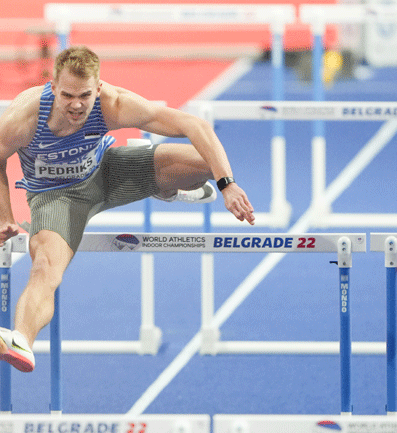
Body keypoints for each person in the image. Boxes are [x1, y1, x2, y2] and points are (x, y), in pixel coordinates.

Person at [0, 46, 256, 372]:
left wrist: (227, 185)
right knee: (45, 267)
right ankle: (22, 339)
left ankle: (168, 187)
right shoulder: (23, 118)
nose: (76, 105)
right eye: (67, 95)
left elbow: (197, 126)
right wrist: (5, 216)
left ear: (99, 87)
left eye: (84, 95)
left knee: (204, 160)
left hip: (107, 173)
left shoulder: (113, 103)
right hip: (57, 197)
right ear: (52, 87)